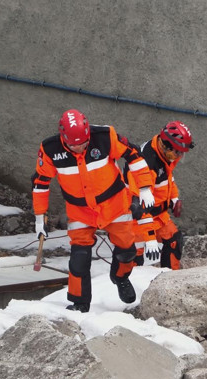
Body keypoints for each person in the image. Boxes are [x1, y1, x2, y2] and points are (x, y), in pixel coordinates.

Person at [31, 109, 154, 311]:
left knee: (127, 250)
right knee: (79, 257)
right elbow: (40, 183)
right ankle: (79, 303)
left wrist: (145, 187)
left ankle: (120, 277)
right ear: (63, 138)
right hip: (80, 210)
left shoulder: (105, 136)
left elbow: (134, 155)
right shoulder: (50, 149)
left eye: (83, 143)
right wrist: (39, 217)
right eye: (73, 145)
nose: (79, 148)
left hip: (114, 204)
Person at [128, 121, 194, 270]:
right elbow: (140, 206)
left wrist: (173, 199)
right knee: (133, 257)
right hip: (136, 219)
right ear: (166, 145)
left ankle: (170, 278)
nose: (179, 156)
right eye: (178, 152)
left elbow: (168, 179)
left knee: (174, 240)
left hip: (156, 214)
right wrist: (150, 238)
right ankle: (130, 282)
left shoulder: (164, 155)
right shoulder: (146, 164)